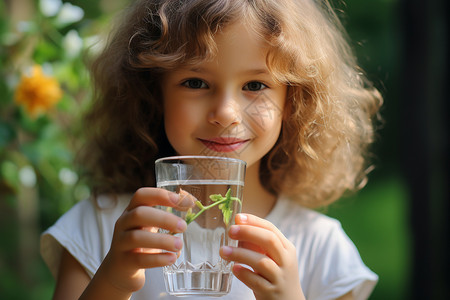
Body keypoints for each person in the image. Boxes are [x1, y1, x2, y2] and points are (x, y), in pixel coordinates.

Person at [41, 0, 383, 299]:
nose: (225, 113)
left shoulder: (322, 249)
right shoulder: (101, 227)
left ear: (293, 101)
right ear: (153, 94)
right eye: (196, 82)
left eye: (255, 85)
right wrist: (114, 282)